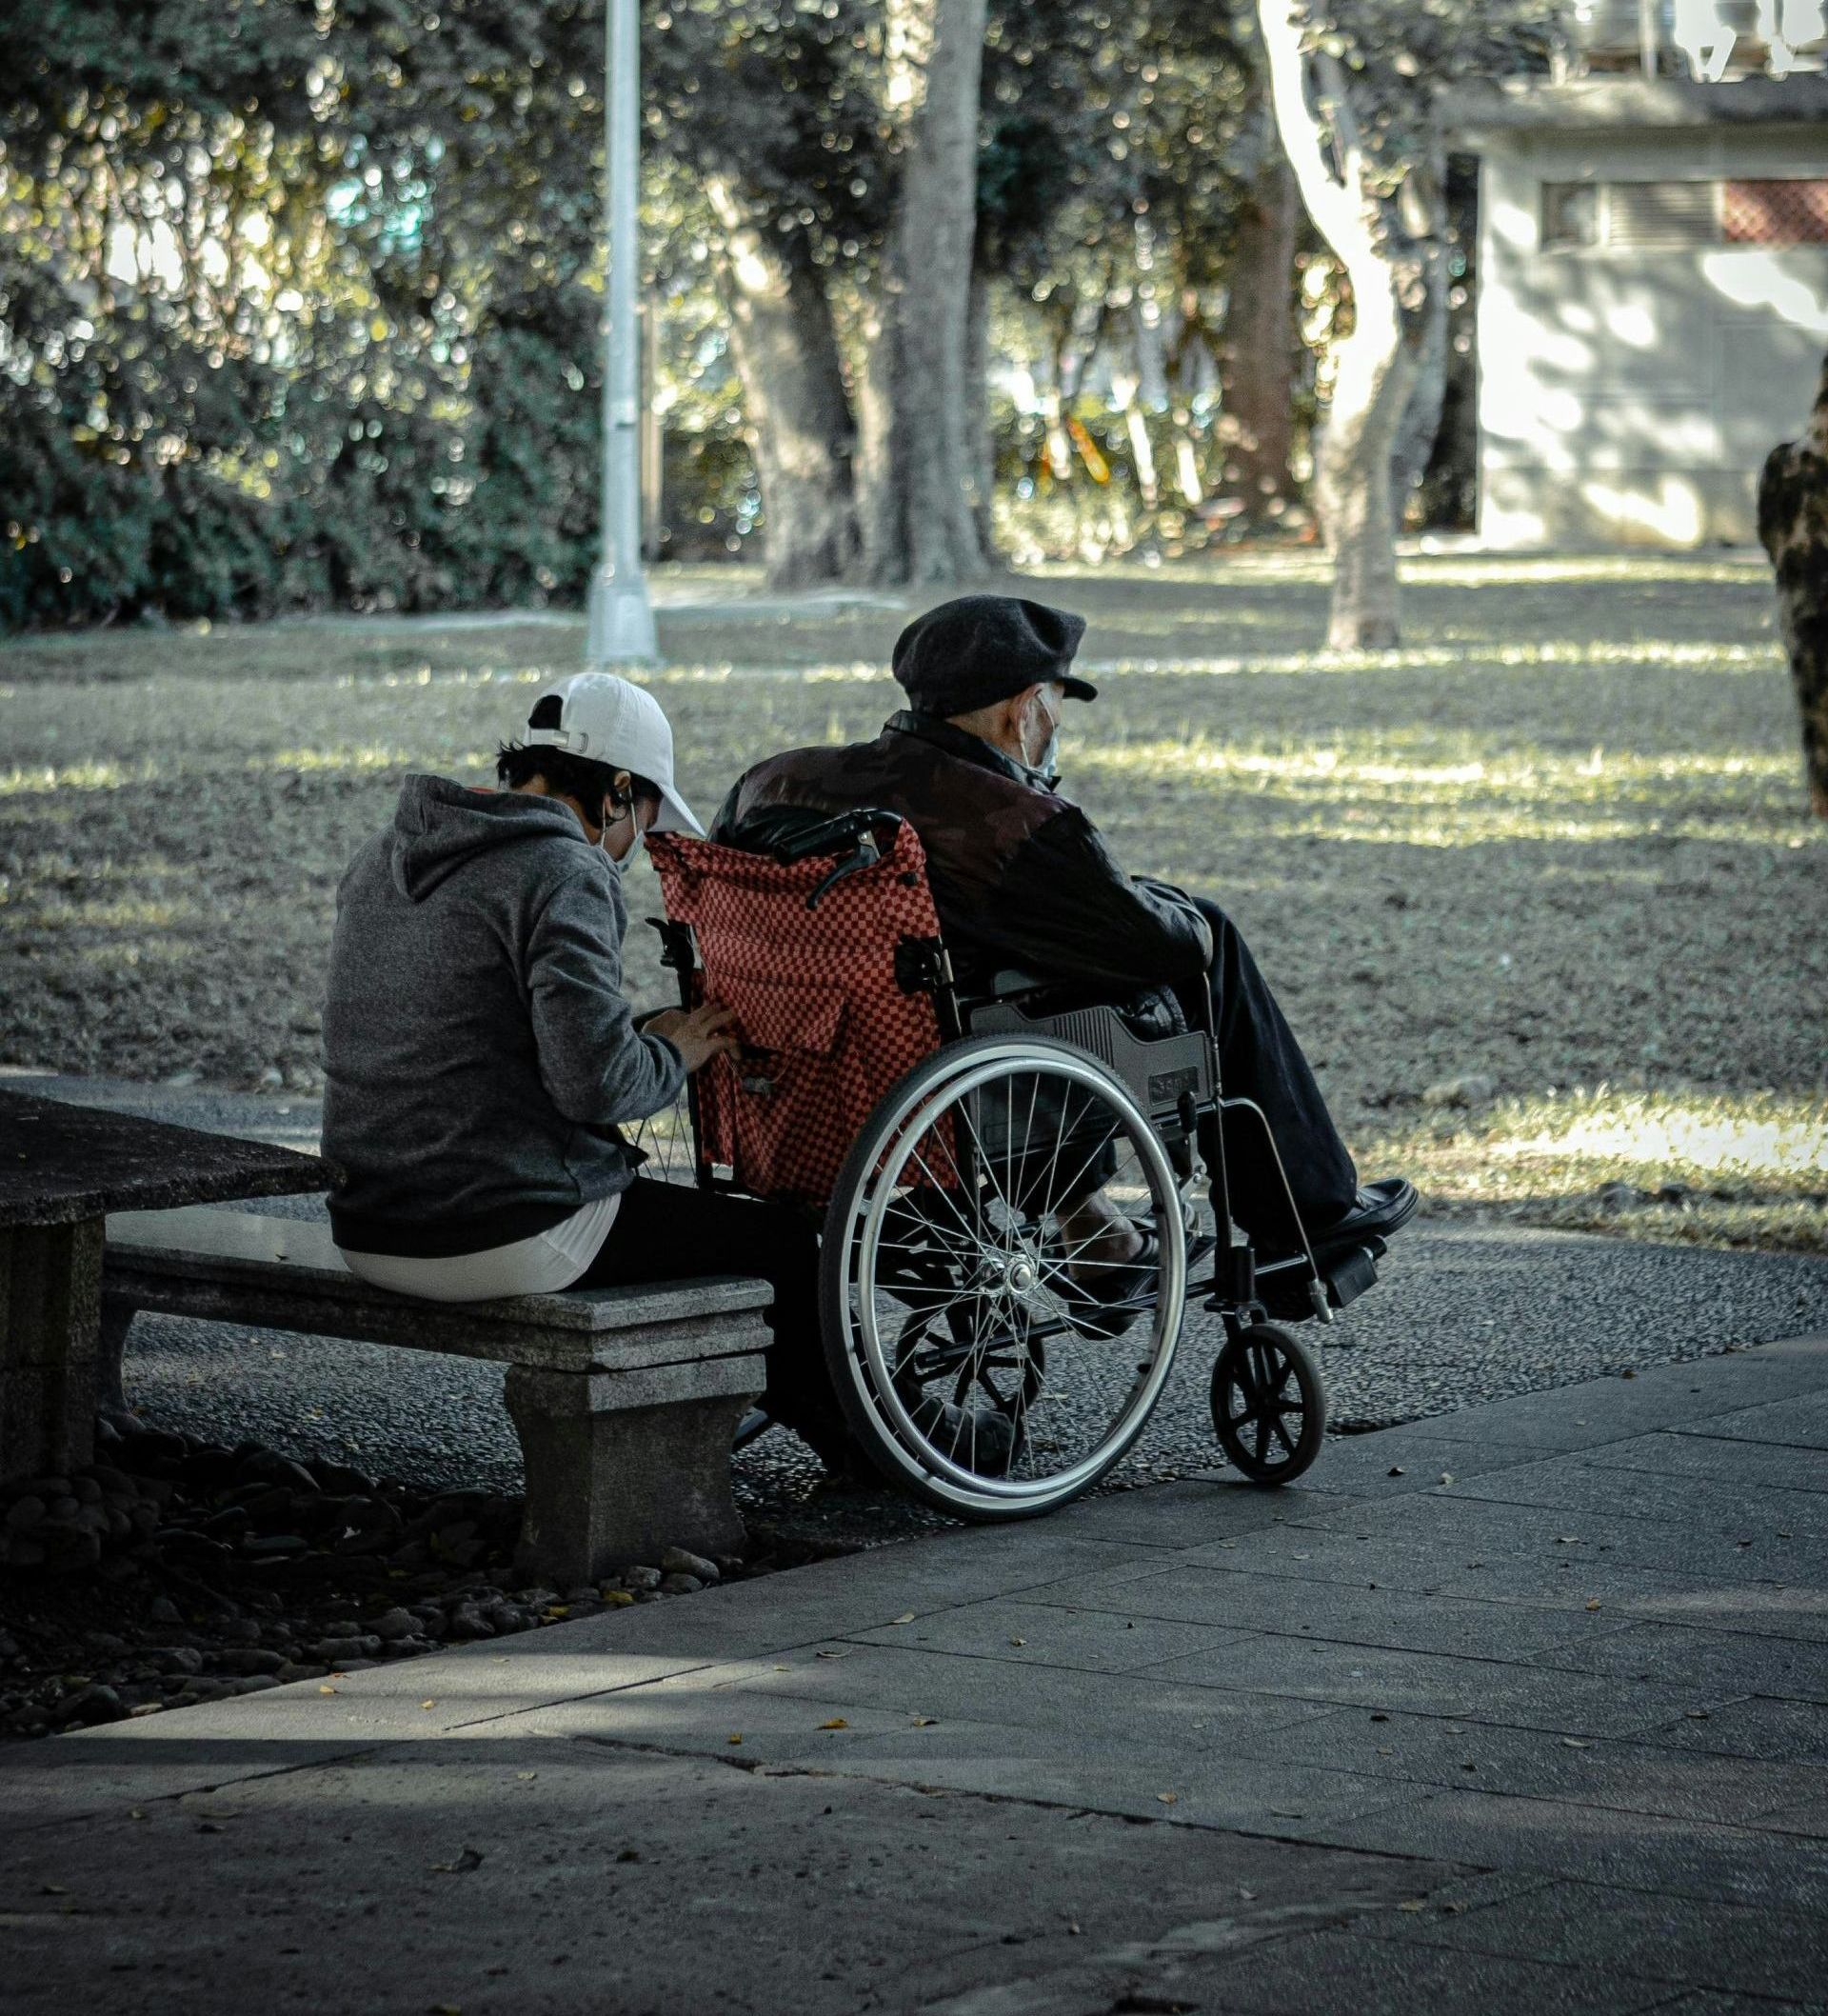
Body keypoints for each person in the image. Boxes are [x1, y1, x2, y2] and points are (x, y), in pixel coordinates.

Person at [711, 594, 1417, 1286]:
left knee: (1006, 979)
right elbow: (1162, 948)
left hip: (809, 1066)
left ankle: (1093, 1228)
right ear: (1023, 710)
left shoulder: (773, 782)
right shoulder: (1013, 821)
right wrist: (1181, 909)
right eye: (1053, 706)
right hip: (956, 1071)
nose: (1053, 726)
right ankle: (1311, 1215)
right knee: (1210, 941)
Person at [320, 671, 850, 1463]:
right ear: (616, 792)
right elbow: (595, 1085)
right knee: (777, 1244)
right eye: (641, 816)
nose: (635, 843)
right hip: (498, 1226)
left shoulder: (387, 854)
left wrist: (641, 1031)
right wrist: (675, 1051)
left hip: (367, 1221)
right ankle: (867, 1452)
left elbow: (489, 1034)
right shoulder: (563, 870)